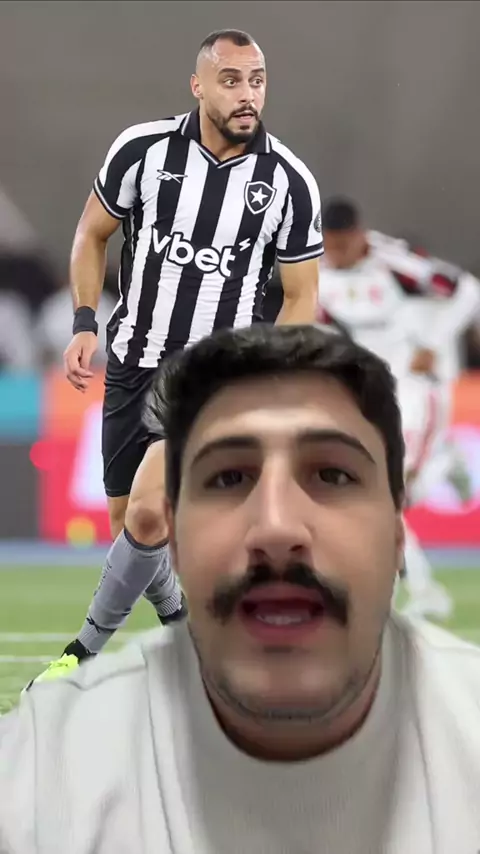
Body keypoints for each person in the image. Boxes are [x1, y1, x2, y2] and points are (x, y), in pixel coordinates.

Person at [2, 324, 480, 852]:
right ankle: (94, 645)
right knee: (139, 518)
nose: (276, 528)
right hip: (177, 377)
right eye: (227, 480)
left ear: (396, 532)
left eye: (332, 477)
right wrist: (86, 322)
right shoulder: (42, 782)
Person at [29, 29, 323, 685]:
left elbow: (302, 294)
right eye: (231, 80)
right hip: (133, 363)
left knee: (146, 512)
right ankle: (184, 633)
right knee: (131, 528)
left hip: (212, 382)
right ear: (198, 86)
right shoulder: (143, 150)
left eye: (257, 80)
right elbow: (92, 234)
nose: (247, 95)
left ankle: (79, 658)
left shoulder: (287, 181)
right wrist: (85, 321)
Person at [317, 196, 480, 619]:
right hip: (370, 390)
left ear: (359, 236)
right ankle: (421, 589)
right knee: (381, 492)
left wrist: (433, 343)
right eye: (328, 246)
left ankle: (411, 590)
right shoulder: (316, 271)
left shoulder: (394, 262)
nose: (335, 255)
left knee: (389, 490)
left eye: (342, 245)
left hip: (416, 388)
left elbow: (467, 290)